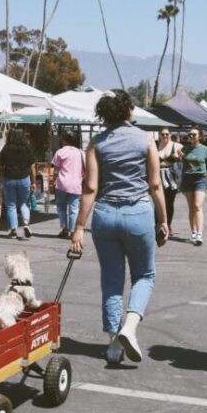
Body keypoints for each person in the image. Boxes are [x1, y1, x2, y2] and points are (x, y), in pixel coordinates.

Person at [70, 90, 168, 364]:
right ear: (129, 111)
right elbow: (156, 184)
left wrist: (79, 228)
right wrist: (163, 220)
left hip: (104, 215)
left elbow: (90, 187)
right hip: (137, 212)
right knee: (145, 275)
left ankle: (114, 345)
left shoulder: (96, 143)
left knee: (112, 280)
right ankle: (130, 326)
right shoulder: (145, 139)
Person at [0, 128, 37, 239]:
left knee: (11, 205)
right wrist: (33, 181)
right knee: (24, 203)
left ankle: (13, 230)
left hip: (9, 179)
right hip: (24, 179)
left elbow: (0, 165)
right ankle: (25, 223)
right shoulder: (27, 148)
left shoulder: (6, 149)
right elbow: (32, 167)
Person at [180, 128, 207, 245]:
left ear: (199, 136)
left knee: (197, 205)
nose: (191, 136)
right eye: (190, 134)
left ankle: (200, 234)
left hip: (200, 179)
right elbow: (179, 164)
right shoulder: (184, 149)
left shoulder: (206, 150)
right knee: (191, 207)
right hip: (187, 179)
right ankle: (194, 232)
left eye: (194, 134)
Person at [52, 132, 85, 238]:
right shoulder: (80, 152)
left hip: (62, 183)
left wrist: (53, 181)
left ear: (64, 140)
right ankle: (72, 230)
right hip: (76, 184)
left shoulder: (60, 152)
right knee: (74, 208)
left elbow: (56, 170)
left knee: (61, 207)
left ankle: (64, 228)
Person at [157, 128, 182, 237]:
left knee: (169, 202)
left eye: (167, 134)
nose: (165, 136)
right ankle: (158, 224)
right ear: (159, 135)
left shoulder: (176, 146)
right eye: (162, 134)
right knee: (158, 201)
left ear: (170, 135)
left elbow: (186, 155)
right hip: (158, 175)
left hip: (171, 176)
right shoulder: (156, 146)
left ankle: (168, 224)